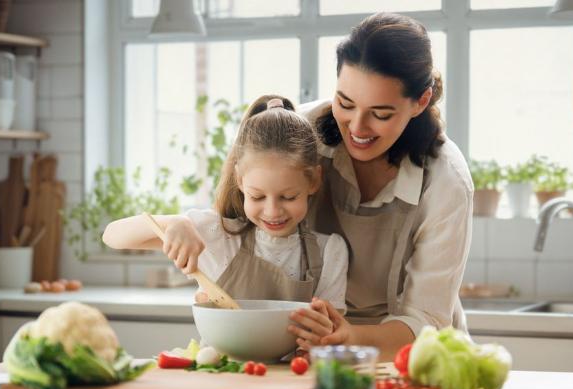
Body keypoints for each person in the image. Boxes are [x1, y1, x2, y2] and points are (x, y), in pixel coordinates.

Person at [287, 12, 474, 359]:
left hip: (413, 357)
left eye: (381, 114)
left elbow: (425, 320)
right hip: (317, 350)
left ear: (420, 101)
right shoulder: (301, 133)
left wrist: (348, 336)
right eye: (345, 103)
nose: (357, 126)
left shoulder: (446, 181)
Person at [102, 96, 349, 345]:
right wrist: (176, 223)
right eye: (258, 196)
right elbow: (112, 236)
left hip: (292, 377)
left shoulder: (330, 252)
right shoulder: (218, 235)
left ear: (314, 181)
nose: (273, 211)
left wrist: (322, 337)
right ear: (240, 180)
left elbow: (332, 333)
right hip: (221, 376)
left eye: (288, 196)